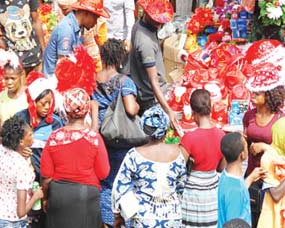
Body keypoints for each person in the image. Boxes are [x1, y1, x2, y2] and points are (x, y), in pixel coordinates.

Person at [40, 88, 110, 228]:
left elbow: (46, 175)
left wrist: (45, 198)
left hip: (59, 196)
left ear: (65, 111)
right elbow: (104, 173)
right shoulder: (94, 138)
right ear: (86, 110)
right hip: (86, 197)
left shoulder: (54, 138)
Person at [112, 105, 187, 227]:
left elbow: (120, 186)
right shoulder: (178, 154)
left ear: (144, 128)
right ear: (166, 128)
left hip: (143, 218)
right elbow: (181, 187)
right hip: (172, 217)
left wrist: (118, 215)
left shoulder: (134, 155)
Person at [91, 38, 139, 227]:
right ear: (120, 58)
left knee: (105, 181)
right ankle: (124, 221)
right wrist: (136, 105)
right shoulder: (124, 81)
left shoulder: (93, 79)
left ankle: (107, 221)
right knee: (124, 182)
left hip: (101, 136)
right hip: (121, 138)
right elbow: (130, 109)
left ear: (102, 57)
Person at [243, 68, 285, 227]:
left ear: (268, 95)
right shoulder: (248, 116)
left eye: (257, 93)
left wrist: (265, 147)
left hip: (273, 181)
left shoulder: (281, 120)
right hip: (252, 177)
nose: (252, 95)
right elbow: (245, 144)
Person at [0, 115, 44, 227]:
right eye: (30, 135)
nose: (33, 137)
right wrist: (36, 196)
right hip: (12, 221)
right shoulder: (21, 167)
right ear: (21, 142)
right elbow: (21, 212)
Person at [180, 89, 226, 228]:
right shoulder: (221, 135)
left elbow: (179, 167)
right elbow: (222, 167)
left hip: (192, 195)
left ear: (193, 112)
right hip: (212, 194)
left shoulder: (189, 139)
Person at [127, 0, 175, 120]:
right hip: (151, 98)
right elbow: (154, 82)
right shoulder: (145, 43)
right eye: (157, 20)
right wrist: (168, 110)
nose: (160, 24)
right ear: (147, 14)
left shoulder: (139, 25)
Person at [42, 0, 110, 76]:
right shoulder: (66, 29)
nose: (96, 22)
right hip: (55, 81)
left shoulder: (78, 28)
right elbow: (63, 67)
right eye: (95, 18)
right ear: (87, 14)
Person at [16, 73, 63, 180]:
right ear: (33, 102)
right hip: (22, 177)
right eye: (43, 103)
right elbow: (8, 143)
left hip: (45, 178)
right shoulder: (19, 118)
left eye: (49, 103)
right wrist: (19, 149)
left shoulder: (55, 123)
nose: (47, 107)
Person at [218, 132, 267, 227]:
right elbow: (233, 225)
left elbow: (239, 188)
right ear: (242, 155)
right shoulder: (235, 191)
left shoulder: (226, 175)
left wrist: (251, 178)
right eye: (246, 146)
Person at [0, 50, 28, 126]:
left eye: (13, 78)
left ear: (20, 76)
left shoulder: (28, 96)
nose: (9, 82)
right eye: (6, 78)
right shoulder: (1, 97)